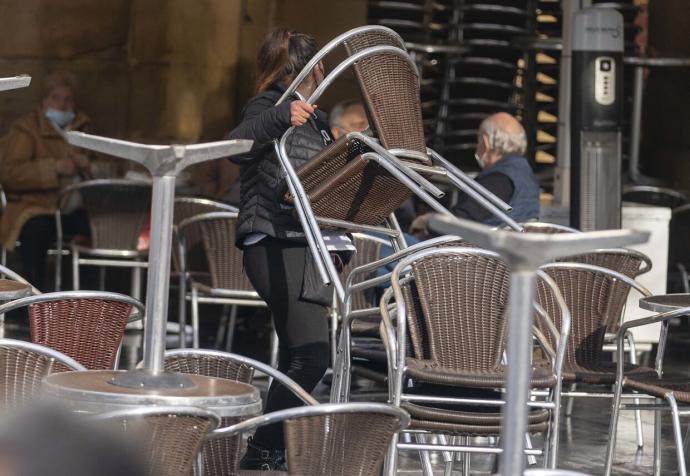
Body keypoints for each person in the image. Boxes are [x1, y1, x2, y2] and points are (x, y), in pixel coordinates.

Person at [226, 28, 335, 470]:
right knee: (313, 353)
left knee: (297, 353)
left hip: (308, 245)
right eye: (318, 69)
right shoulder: (269, 104)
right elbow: (237, 145)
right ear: (304, 70)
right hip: (274, 239)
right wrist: (280, 116)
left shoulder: (317, 119)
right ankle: (263, 449)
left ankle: (271, 452)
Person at [0, 71, 93, 289]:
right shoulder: (26, 130)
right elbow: (10, 173)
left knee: (99, 230)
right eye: (56, 98)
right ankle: (29, 304)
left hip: (72, 209)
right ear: (44, 101)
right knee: (37, 231)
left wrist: (87, 165)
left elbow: (110, 167)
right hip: (33, 207)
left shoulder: (83, 129)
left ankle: (87, 302)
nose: (62, 104)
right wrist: (55, 168)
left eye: (67, 99)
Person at [411, 112, 539, 238]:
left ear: (486, 142)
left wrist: (427, 221)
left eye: (478, 141)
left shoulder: (497, 180)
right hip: (508, 251)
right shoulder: (526, 175)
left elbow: (459, 224)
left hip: (480, 253)